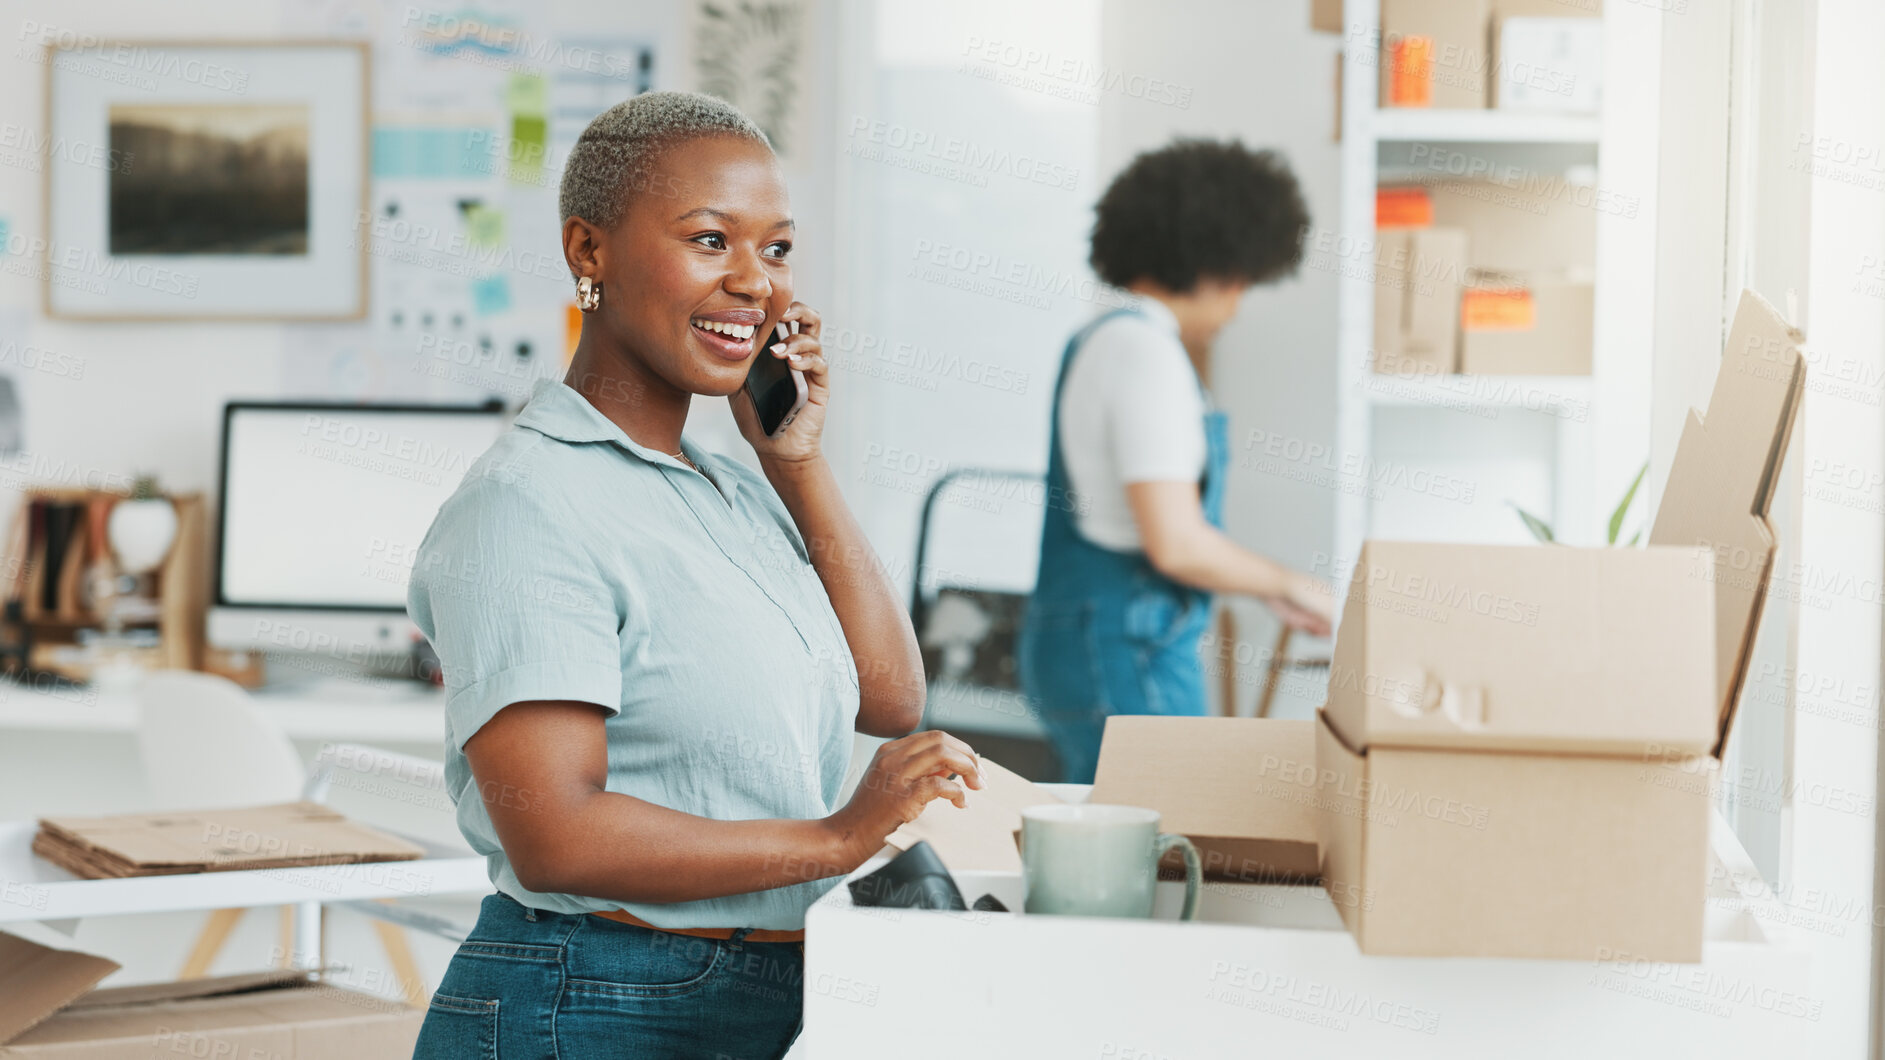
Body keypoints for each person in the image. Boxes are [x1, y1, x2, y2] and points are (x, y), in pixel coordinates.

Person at [406, 91, 985, 1060]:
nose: (756, 282)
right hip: (588, 1000)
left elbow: (891, 696)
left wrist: (795, 465)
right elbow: (556, 830)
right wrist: (838, 838)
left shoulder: (727, 487)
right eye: (712, 240)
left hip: (757, 996)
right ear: (588, 251)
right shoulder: (528, 502)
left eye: (778, 249)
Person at [1018, 139, 1335, 784]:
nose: (1238, 306)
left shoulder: (1102, 338)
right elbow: (1177, 543)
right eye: (1242, 281)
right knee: (1169, 847)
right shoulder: (1144, 351)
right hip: (1128, 648)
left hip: (1088, 639)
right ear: (1215, 259)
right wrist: (1292, 583)